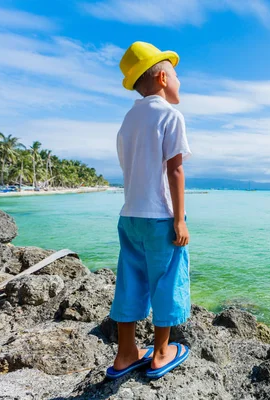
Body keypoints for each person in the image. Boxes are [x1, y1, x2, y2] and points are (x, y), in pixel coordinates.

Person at [105, 41, 192, 380]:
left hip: (130, 216)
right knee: (167, 279)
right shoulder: (170, 115)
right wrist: (179, 219)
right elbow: (175, 170)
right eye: (176, 76)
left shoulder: (128, 120)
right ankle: (159, 353)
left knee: (130, 280)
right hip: (160, 217)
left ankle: (125, 353)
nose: (179, 82)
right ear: (160, 77)